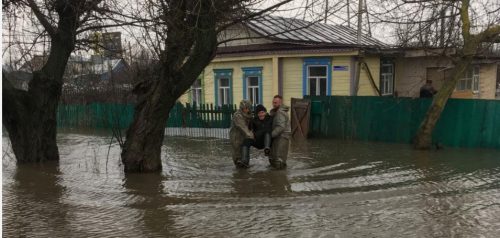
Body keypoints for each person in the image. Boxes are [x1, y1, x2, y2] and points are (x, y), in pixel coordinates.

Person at [229, 100, 254, 168]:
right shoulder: (237, 115)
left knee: (245, 155)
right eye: (244, 108)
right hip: (236, 138)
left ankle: (244, 172)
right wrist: (252, 136)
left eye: (247, 108)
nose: (246, 110)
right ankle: (239, 174)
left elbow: (251, 126)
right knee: (238, 156)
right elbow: (243, 127)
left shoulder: (248, 115)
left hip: (244, 137)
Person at [268, 95, 291, 169]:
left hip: (282, 138)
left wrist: (270, 136)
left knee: (279, 160)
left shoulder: (280, 112)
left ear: (280, 103)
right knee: (275, 158)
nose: (274, 104)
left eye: (276, 102)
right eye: (273, 102)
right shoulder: (277, 111)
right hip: (279, 138)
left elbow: (280, 127)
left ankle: (280, 178)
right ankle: (278, 177)